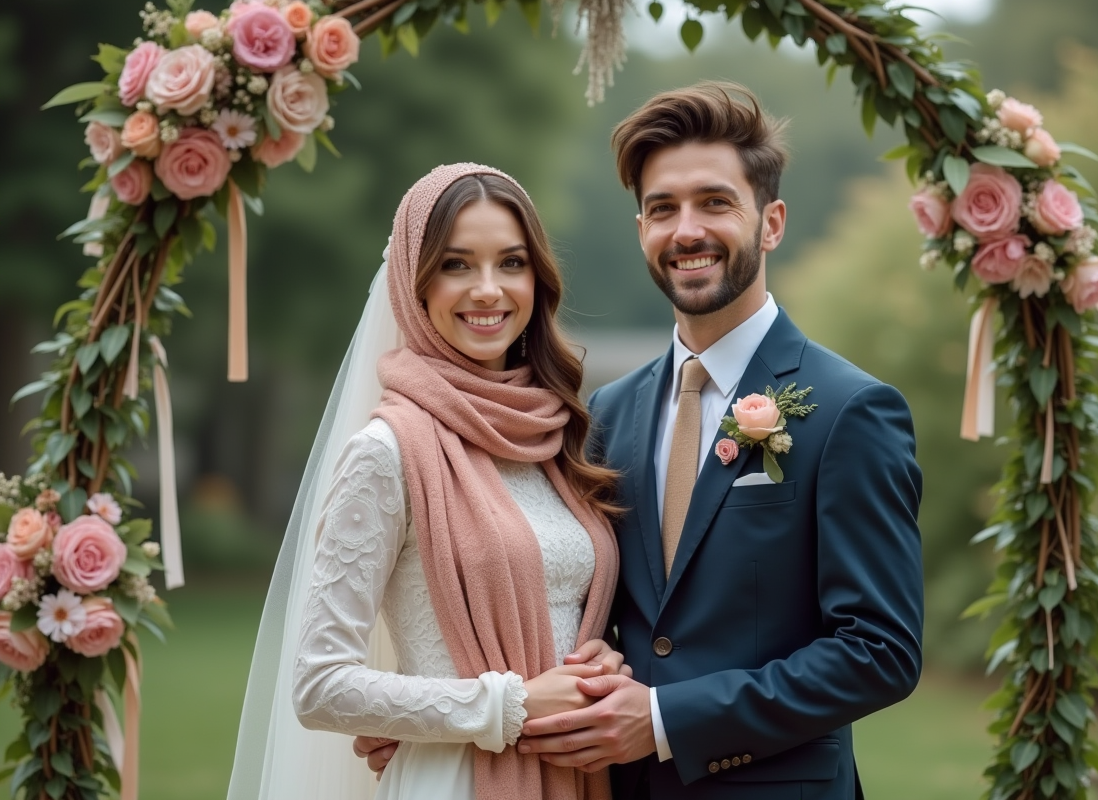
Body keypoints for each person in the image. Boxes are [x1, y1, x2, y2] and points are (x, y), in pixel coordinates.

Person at [359, 82, 925, 799]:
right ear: (641, 232)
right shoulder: (604, 416)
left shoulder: (851, 411)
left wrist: (663, 718)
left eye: (715, 203)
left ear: (772, 222)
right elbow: (580, 602)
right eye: (663, 209)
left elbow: (880, 653)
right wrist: (435, 715)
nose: (686, 231)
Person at [226, 163, 628, 800]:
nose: (489, 290)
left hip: (575, 776)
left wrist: (600, 661)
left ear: (539, 278)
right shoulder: (386, 452)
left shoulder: (552, 434)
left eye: (512, 263)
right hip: (455, 781)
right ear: (414, 283)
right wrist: (510, 704)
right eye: (457, 264)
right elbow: (319, 683)